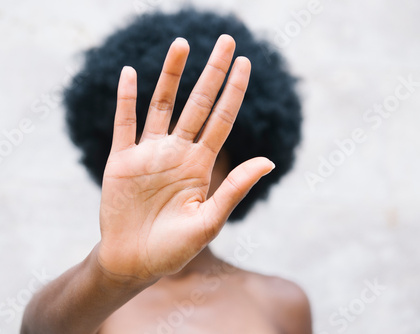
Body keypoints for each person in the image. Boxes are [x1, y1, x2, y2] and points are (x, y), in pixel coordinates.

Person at [21, 9, 311, 334]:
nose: (174, 172)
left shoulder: (282, 303)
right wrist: (110, 276)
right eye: (155, 152)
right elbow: (37, 330)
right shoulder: (92, 301)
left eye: (202, 144)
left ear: (238, 158)